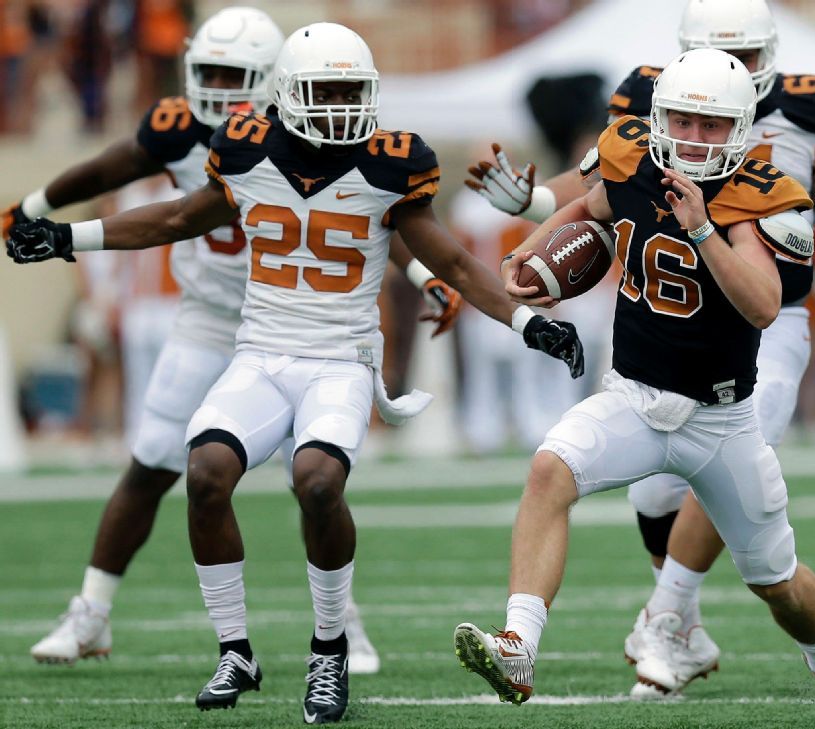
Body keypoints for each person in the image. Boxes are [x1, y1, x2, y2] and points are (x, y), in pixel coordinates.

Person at [8, 22, 584, 724]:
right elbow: (179, 216)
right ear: (286, 94)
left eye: (352, 91)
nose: (341, 105)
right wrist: (69, 235)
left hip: (338, 358)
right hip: (258, 351)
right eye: (325, 90)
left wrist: (530, 322)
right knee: (204, 472)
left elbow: (454, 262)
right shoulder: (246, 148)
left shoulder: (391, 163)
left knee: (316, 481)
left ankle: (331, 646)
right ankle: (235, 649)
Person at [464, 0, 815, 698]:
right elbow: (590, 203)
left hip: (720, 418)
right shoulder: (630, 150)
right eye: (682, 121)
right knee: (550, 471)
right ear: (659, 110)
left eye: (713, 124)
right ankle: (520, 643)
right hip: (635, 398)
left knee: (779, 582)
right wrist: (533, 245)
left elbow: (767, 303)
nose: (695, 137)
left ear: (745, 128)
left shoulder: (768, 192)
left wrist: (704, 228)